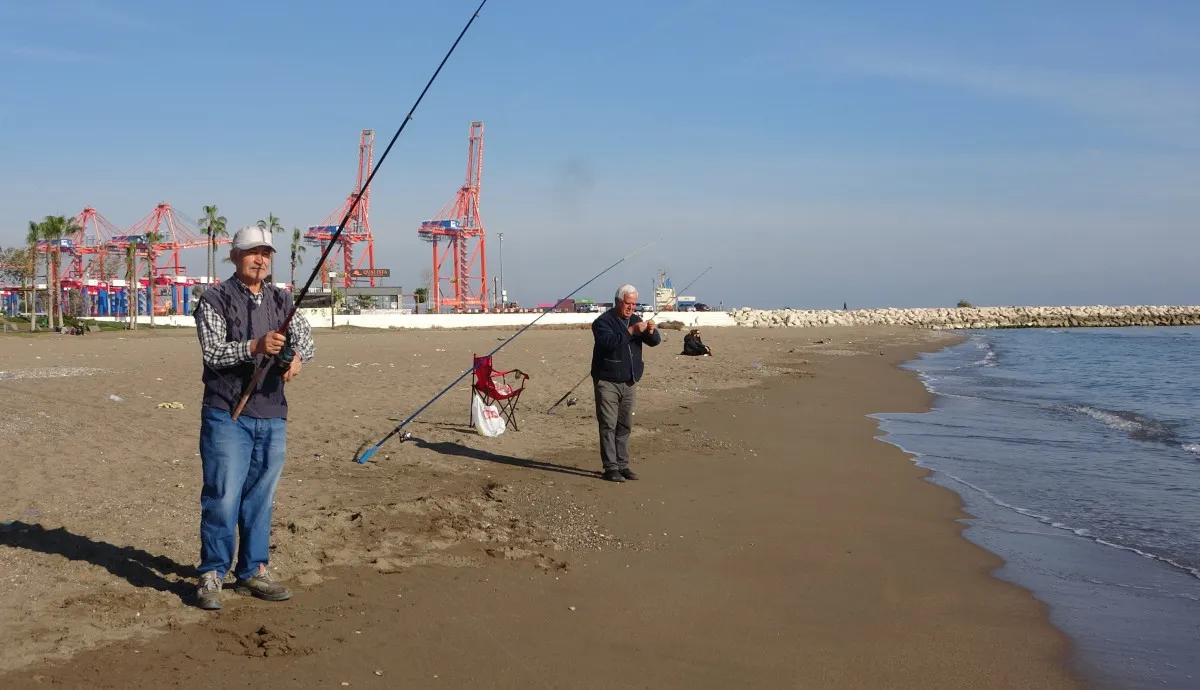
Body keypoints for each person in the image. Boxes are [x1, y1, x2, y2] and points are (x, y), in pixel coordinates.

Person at [191, 225, 315, 611]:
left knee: (261, 498)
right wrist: (254, 347)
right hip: (227, 412)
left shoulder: (282, 300)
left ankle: (253, 570)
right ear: (235, 257)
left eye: (265, 253)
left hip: (273, 413)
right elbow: (213, 353)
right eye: (251, 252)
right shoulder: (213, 299)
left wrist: (295, 361)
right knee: (223, 496)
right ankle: (212, 573)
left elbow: (307, 345)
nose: (260, 259)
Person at [590, 284, 660, 482]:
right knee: (608, 424)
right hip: (607, 380)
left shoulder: (636, 320)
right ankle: (610, 467)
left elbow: (654, 342)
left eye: (634, 304)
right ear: (619, 301)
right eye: (628, 303)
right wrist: (631, 331)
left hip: (629, 380)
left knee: (624, 425)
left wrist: (651, 331)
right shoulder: (603, 322)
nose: (631, 308)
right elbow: (609, 343)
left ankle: (623, 465)